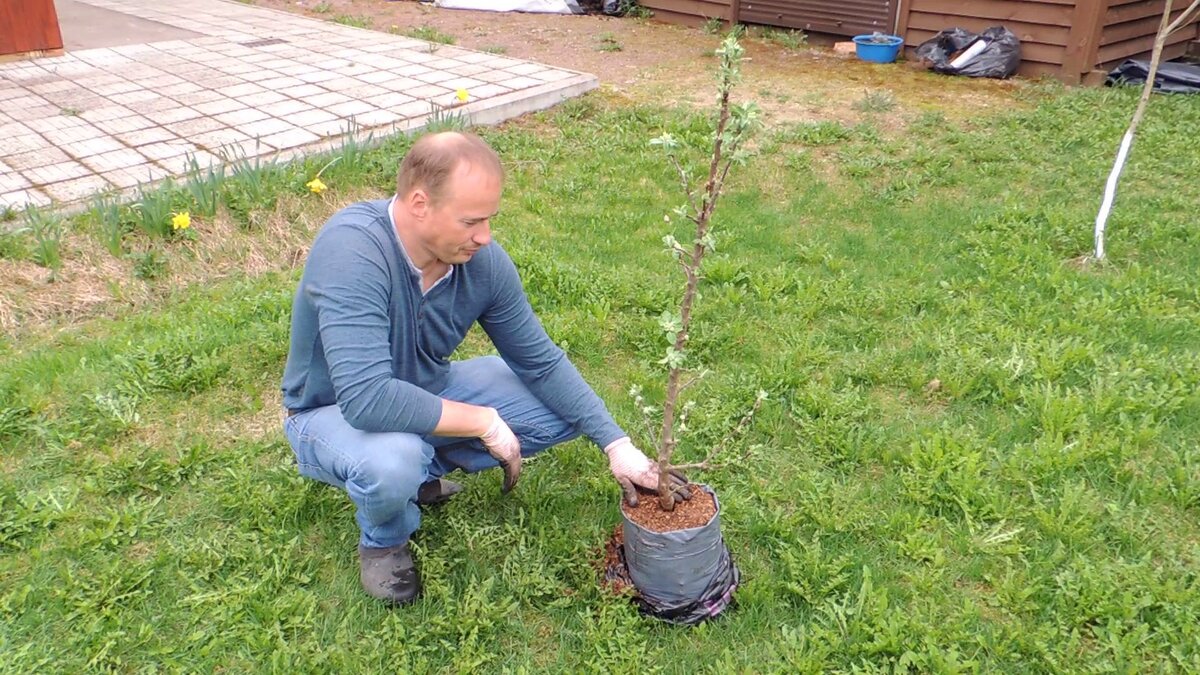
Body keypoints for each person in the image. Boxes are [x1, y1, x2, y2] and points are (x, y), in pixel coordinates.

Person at [281, 131, 686, 606]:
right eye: (471, 221)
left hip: (424, 390)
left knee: (557, 408)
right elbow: (367, 398)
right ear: (418, 204)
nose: (485, 237)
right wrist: (482, 421)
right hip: (331, 414)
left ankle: (422, 469)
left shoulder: (481, 263)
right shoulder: (354, 251)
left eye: (490, 219)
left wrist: (617, 445)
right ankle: (385, 537)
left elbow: (541, 360)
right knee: (391, 461)